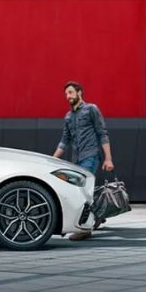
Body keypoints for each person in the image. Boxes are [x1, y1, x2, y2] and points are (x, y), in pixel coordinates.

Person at [52, 81, 114, 241]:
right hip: (76, 160)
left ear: (79, 92)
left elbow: (102, 133)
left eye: (71, 92)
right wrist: (52, 159)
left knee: (82, 192)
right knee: (83, 190)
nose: (68, 96)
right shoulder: (68, 116)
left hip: (91, 155)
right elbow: (64, 140)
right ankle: (96, 215)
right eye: (66, 94)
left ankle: (85, 228)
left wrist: (108, 158)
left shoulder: (91, 109)